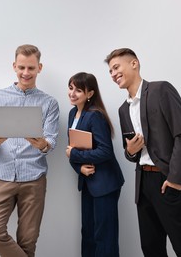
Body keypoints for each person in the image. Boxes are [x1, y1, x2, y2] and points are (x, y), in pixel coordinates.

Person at [105, 48, 181, 257]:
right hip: (143, 183)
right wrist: (130, 151)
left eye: (116, 67)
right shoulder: (124, 109)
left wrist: (176, 179)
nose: (113, 74)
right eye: (110, 71)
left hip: (167, 179)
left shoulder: (161, 90)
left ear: (134, 63)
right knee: (151, 248)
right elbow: (131, 152)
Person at [0, 44, 60, 257]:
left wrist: (41, 143)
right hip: (1, 174)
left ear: (39, 68)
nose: (26, 73)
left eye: (31, 68)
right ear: (14, 66)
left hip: (33, 177)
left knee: (28, 241)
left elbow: (51, 140)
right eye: (22, 67)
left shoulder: (49, 103)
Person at [66, 72, 124, 257]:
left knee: (104, 236)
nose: (72, 93)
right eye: (71, 88)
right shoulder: (73, 113)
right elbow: (72, 150)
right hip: (88, 182)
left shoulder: (95, 116)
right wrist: (79, 167)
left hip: (105, 184)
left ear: (90, 94)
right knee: (88, 234)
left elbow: (105, 151)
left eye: (78, 90)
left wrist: (74, 154)